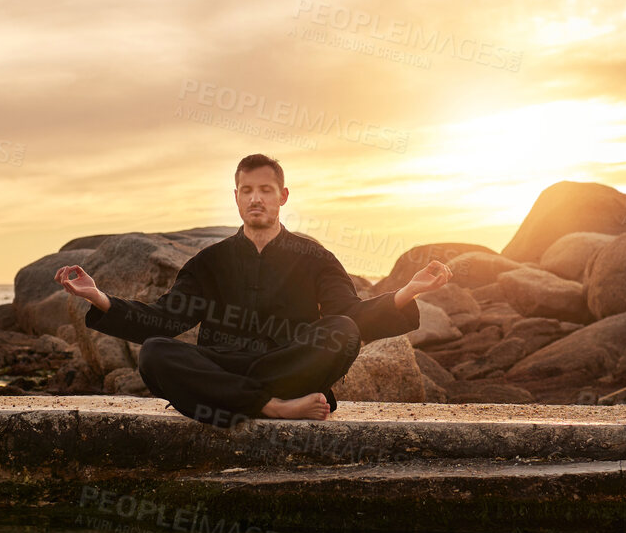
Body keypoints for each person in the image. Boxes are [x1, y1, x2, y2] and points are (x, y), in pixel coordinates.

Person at [53, 154, 452, 426]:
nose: (255, 198)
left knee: (343, 331)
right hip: (224, 364)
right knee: (156, 352)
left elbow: (350, 313)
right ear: (237, 197)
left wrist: (407, 292)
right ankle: (272, 406)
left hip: (286, 366)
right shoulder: (210, 261)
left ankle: (241, 400)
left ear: (283, 196)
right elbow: (165, 318)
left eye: (264, 189)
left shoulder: (313, 256)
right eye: (246, 190)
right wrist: (98, 297)